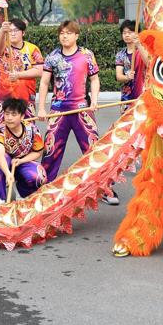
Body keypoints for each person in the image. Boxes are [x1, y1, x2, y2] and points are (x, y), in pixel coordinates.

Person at [37, 20, 119, 205]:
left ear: (76, 35)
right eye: (62, 33)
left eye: (68, 32)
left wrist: (95, 101)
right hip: (58, 111)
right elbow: (43, 83)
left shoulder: (86, 55)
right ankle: (44, 191)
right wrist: (41, 108)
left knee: (94, 149)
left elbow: (95, 79)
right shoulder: (52, 57)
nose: (64, 36)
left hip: (82, 109)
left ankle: (106, 188)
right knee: (50, 151)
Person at [0, 97, 47, 205]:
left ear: (22, 116)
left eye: (14, 114)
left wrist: (21, 161)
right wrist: (8, 173)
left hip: (22, 162)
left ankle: (22, 192)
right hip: (4, 163)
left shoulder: (32, 130)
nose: (9, 118)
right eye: (6, 114)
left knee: (39, 176)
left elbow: (38, 152)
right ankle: (0, 198)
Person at [0, 17, 44, 121]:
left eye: (16, 30)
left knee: (27, 126)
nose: (12, 33)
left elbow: (40, 70)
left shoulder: (32, 48)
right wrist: (2, 30)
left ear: (23, 33)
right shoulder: (3, 47)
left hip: (27, 96)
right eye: (10, 31)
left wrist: (19, 75)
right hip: (6, 95)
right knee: (5, 127)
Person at [114, 19, 145, 101]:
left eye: (130, 32)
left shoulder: (144, 50)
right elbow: (119, 76)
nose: (127, 35)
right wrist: (127, 77)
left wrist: (138, 45)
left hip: (144, 95)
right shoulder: (120, 54)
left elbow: (149, 64)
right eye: (124, 33)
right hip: (127, 96)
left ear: (137, 34)